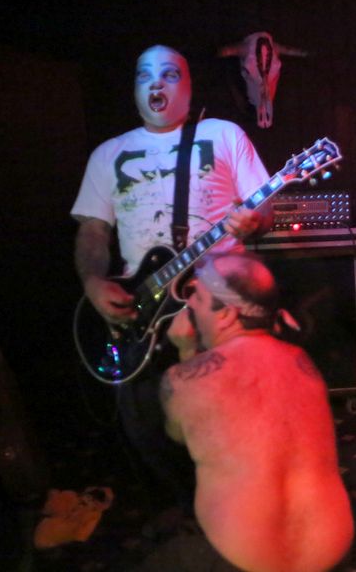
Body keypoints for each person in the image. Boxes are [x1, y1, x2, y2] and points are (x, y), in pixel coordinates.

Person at [71, 44, 273, 506]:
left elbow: (264, 207)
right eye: (145, 75)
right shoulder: (108, 154)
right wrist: (92, 282)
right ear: (135, 89)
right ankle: (185, 506)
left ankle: (239, 511)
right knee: (144, 423)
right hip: (141, 307)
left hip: (218, 301)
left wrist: (254, 221)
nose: (156, 83)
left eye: (169, 74)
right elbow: (93, 231)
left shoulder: (223, 135)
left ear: (188, 86)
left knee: (227, 418)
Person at [136, 252, 353, 572]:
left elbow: (178, 435)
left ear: (226, 315)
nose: (189, 304)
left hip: (246, 564)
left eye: (197, 296)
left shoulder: (182, 380)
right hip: (332, 556)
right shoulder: (302, 361)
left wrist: (186, 352)